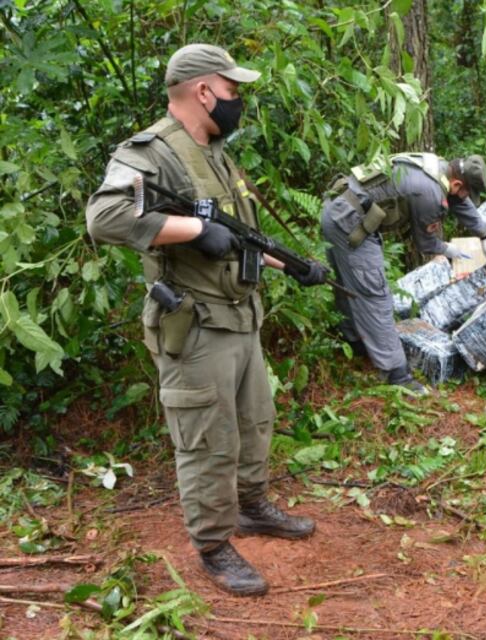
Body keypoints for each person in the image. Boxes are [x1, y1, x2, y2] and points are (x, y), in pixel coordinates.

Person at [86, 44, 328, 597]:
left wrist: (291, 266)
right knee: (206, 438)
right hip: (194, 325)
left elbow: (236, 235)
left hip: (240, 316)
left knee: (253, 420)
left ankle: (252, 506)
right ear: (203, 90)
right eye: (232, 90)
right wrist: (193, 231)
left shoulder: (216, 153)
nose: (237, 102)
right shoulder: (153, 152)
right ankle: (214, 545)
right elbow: (104, 216)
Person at [321, 153, 486, 392]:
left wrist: (484, 234)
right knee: (375, 296)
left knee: (351, 285)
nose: (467, 198)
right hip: (349, 223)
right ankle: (396, 374)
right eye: (467, 191)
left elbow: (459, 201)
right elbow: (426, 244)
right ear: (457, 184)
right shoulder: (429, 193)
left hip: (339, 209)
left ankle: (355, 343)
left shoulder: (439, 168)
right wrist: (451, 250)